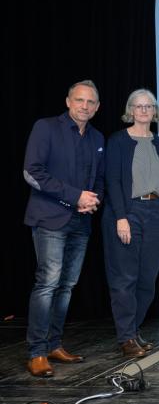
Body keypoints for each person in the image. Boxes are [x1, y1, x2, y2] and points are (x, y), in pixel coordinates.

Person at [22, 80, 104, 377]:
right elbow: (32, 172)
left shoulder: (97, 137)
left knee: (67, 287)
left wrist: (92, 201)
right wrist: (74, 196)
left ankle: (55, 344)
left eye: (91, 102)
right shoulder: (46, 128)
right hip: (50, 218)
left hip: (81, 221)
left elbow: (98, 180)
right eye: (80, 100)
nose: (85, 106)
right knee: (48, 284)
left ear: (97, 107)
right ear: (68, 101)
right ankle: (37, 352)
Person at [102, 89, 159, 358]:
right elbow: (113, 181)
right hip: (127, 212)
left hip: (156, 212)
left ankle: (132, 331)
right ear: (130, 110)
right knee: (125, 279)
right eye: (139, 106)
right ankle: (126, 338)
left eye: (149, 106)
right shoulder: (118, 141)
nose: (144, 111)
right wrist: (121, 217)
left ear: (155, 111)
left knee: (147, 280)